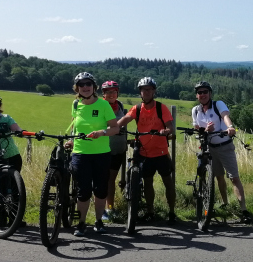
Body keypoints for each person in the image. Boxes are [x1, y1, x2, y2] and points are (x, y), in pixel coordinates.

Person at [116, 76, 176, 223]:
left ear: (154, 91)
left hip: (161, 153)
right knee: (148, 183)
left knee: (168, 182)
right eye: (143, 90)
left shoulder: (161, 108)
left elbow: (171, 127)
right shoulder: (137, 109)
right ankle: (150, 211)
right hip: (145, 153)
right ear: (140, 92)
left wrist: (165, 131)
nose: (146, 92)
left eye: (149, 89)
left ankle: (172, 212)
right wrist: (112, 128)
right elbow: (124, 120)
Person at [67, 72, 120, 237]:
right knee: (83, 191)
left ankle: (98, 221)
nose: (85, 87)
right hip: (80, 153)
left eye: (88, 84)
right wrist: (71, 140)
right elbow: (75, 127)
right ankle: (81, 223)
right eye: (81, 85)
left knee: (100, 190)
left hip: (101, 154)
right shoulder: (76, 105)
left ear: (94, 87)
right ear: (77, 88)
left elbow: (115, 128)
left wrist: (102, 132)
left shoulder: (104, 105)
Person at [191, 81, 252, 223]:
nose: (203, 95)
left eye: (205, 92)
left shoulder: (218, 105)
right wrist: (204, 130)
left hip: (225, 146)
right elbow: (196, 127)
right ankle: (225, 204)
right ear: (197, 95)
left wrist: (230, 127)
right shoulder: (195, 110)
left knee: (234, 178)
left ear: (210, 93)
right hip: (209, 148)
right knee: (218, 177)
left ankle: (244, 210)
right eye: (200, 92)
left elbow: (225, 116)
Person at [100, 80, 128, 222]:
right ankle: (101, 210)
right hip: (103, 149)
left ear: (117, 93)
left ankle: (110, 207)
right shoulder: (100, 106)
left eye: (114, 91)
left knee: (111, 180)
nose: (111, 94)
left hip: (118, 150)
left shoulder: (121, 106)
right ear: (103, 94)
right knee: (103, 180)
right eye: (108, 92)